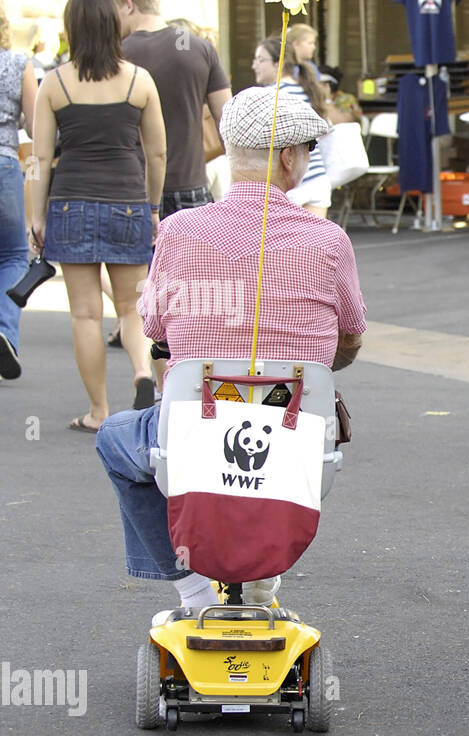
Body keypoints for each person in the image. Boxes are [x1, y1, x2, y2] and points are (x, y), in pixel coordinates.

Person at [95, 86, 366, 608]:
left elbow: (153, 323)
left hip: (195, 430)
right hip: (297, 438)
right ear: (288, 157)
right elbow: (350, 337)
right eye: (308, 150)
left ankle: (194, 592)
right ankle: (260, 584)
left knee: (115, 437)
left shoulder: (178, 231)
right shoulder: (328, 241)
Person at [29, 0, 165, 432]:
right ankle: (143, 373)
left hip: (70, 203)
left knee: (86, 314)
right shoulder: (139, 81)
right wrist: (154, 206)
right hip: (128, 201)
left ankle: (98, 411)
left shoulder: (54, 84)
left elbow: (40, 157)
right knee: (132, 308)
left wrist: (36, 217)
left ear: (72, 28)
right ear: (113, 26)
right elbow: (157, 153)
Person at [119, 0, 230, 219]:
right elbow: (229, 121)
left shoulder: (118, 54)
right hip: (191, 185)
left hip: (135, 188)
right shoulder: (200, 47)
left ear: (129, 5)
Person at [0, 0, 37, 382]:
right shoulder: (19, 64)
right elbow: (35, 128)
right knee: (15, 255)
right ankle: (4, 326)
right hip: (2, 166)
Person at [253, 33, 331, 217]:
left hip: (288, 183)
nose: (254, 65)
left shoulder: (270, 95)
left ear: (276, 63)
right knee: (313, 245)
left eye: (260, 59)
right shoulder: (308, 89)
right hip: (317, 179)